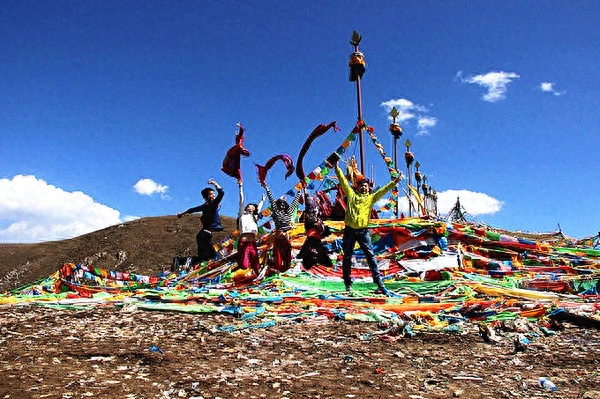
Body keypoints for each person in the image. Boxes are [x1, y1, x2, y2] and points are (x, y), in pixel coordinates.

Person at [330, 156, 401, 295]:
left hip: (363, 232)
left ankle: (379, 282)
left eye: (366, 186)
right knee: (347, 257)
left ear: (369, 189)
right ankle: (347, 283)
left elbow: (382, 191)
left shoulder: (370, 198)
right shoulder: (351, 195)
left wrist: (394, 182)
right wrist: (336, 167)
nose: (364, 187)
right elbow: (343, 182)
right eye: (361, 185)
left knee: (370, 256)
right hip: (349, 231)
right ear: (358, 187)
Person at [177, 179, 224, 261]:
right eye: (211, 194)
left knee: (203, 238)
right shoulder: (206, 205)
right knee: (201, 239)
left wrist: (215, 183)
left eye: (214, 194)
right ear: (206, 197)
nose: (213, 196)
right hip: (206, 229)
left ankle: (211, 255)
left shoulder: (214, 203)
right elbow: (193, 209)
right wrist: (182, 213)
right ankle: (205, 256)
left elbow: (221, 193)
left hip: (210, 228)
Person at [262, 182, 301, 274]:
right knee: (278, 258)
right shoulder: (276, 212)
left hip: (286, 237)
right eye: (280, 205)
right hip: (278, 237)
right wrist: (267, 189)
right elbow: (272, 201)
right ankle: (273, 266)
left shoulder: (289, 212)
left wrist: (299, 191)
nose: (282, 206)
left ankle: (282, 270)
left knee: (287, 260)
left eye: (284, 205)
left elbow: (295, 202)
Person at [297, 191, 333, 270]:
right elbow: (307, 204)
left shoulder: (319, 218)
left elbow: (324, 231)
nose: (315, 208)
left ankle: (324, 265)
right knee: (307, 253)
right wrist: (305, 190)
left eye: (316, 206)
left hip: (317, 239)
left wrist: (322, 227)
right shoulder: (308, 214)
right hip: (311, 238)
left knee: (322, 256)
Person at [237, 180, 265, 274]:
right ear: (246, 208)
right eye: (249, 206)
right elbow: (241, 200)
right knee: (244, 265)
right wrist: (240, 187)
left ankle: (256, 277)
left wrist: (262, 201)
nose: (251, 208)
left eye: (253, 207)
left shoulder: (254, 217)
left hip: (252, 243)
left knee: (256, 265)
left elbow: (259, 208)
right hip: (243, 242)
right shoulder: (242, 215)